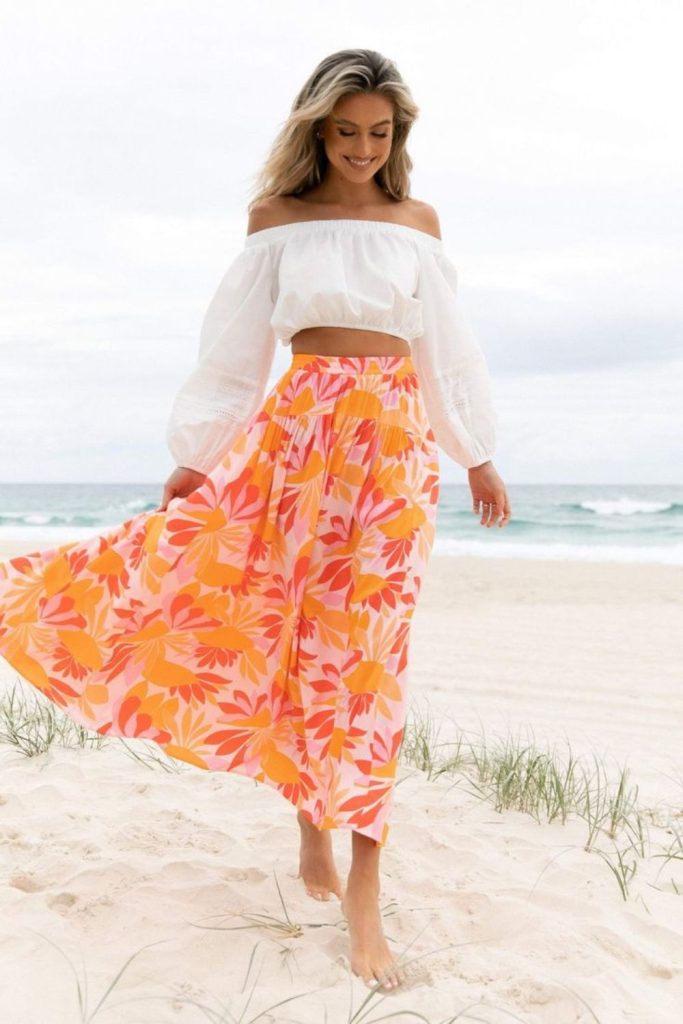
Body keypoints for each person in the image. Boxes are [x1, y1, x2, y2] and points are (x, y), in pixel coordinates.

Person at [0, 48, 511, 992]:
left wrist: (473, 452)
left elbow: (446, 352)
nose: (363, 149)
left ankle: (364, 883)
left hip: (391, 452)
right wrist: (195, 452)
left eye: (380, 133)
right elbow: (235, 351)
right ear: (317, 130)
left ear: (398, 138)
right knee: (282, 630)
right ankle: (307, 819)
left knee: (368, 658)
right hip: (295, 446)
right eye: (347, 131)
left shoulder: (416, 225)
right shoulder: (276, 223)